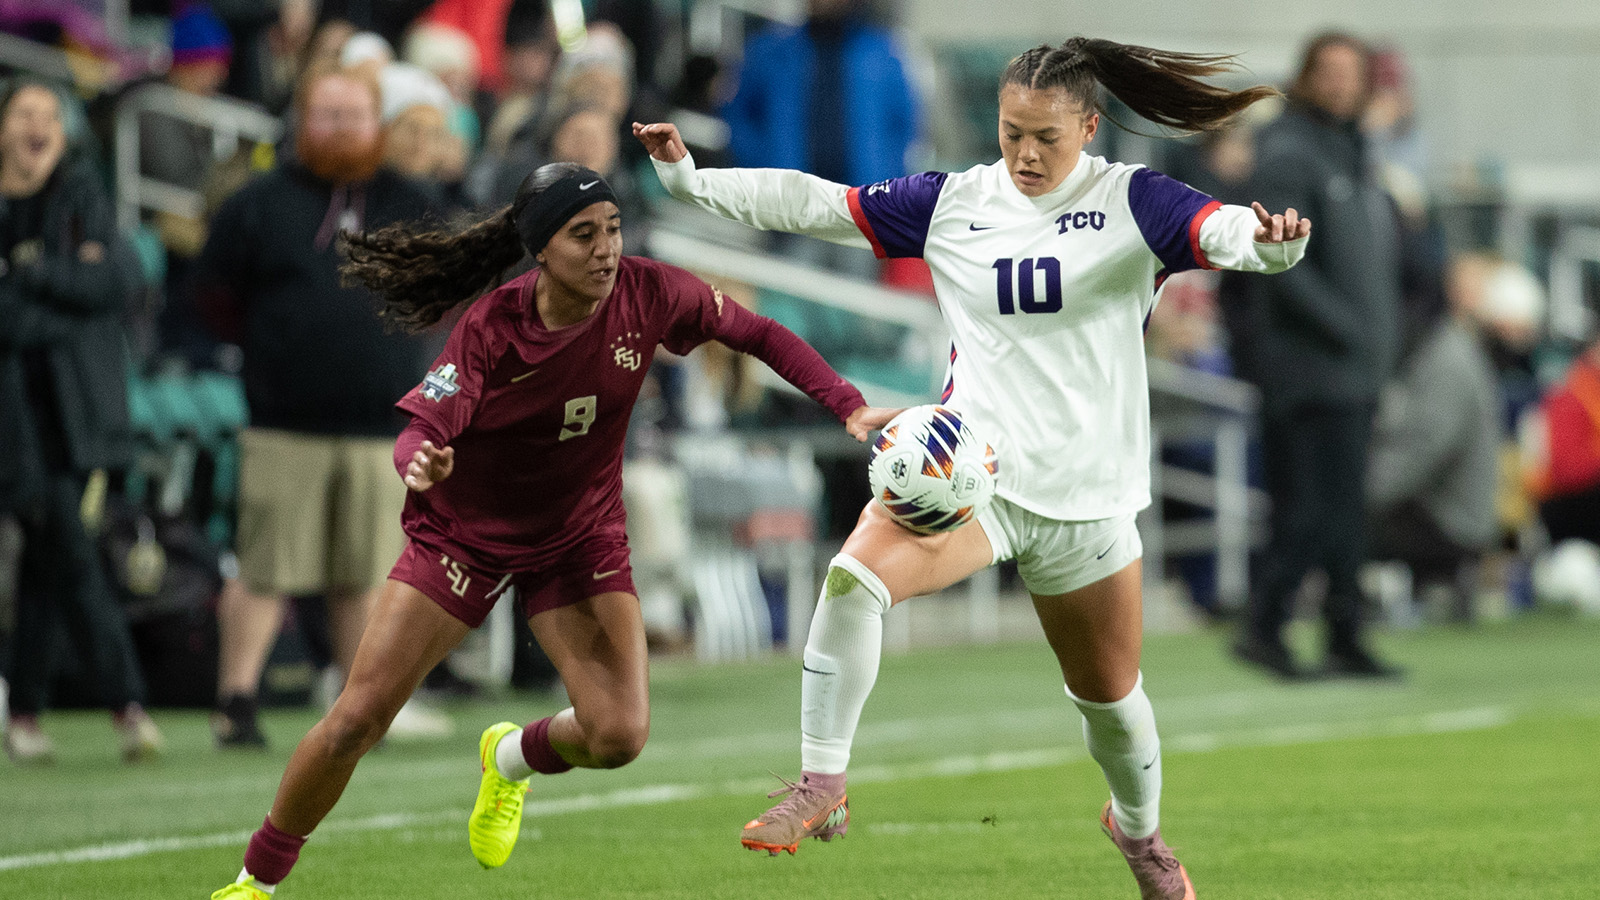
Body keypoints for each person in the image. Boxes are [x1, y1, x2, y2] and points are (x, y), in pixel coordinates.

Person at [637, 34, 1309, 900]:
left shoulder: (1133, 201)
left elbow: (1221, 231)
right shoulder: (954, 201)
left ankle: (1138, 833)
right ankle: (822, 783)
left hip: (1085, 494)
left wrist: (1272, 247)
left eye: (1047, 138)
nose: (1025, 154)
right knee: (852, 582)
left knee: (1111, 704)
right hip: (971, 470)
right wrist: (692, 179)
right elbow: (819, 204)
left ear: (1090, 128)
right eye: (1010, 132)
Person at [206, 161, 884, 898]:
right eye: (582, 235)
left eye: (614, 229)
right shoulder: (494, 325)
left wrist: (845, 403)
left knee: (619, 734)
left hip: (578, 537)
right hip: (464, 537)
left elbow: (754, 332)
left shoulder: (651, 291)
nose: (606, 250)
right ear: (540, 250)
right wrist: (419, 462)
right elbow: (423, 429)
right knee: (354, 723)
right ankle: (255, 881)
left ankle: (510, 758)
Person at [193, 66, 441, 748]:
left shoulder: (412, 201)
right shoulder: (259, 203)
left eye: (352, 116)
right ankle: (235, 702)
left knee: (363, 574)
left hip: (379, 425)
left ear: (377, 124)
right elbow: (213, 295)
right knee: (266, 566)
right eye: (325, 116)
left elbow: (449, 290)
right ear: (304, 122)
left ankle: (356, 707)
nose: (339, 129)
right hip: (283, 423)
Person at [1228, 32, 1405, 680]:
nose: (1339, 83)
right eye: (1326, 71)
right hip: (1308, 369)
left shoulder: (1354, 154)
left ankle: (1344, 633)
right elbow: (1278, 264)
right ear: (1305, 76)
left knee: (1344, 513)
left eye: (1350, 72)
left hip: (1354, 369)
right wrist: (1349, 328)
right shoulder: (1289, 153)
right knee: (1307, 509)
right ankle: (1265, 628)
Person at [0, 78, 163, 764]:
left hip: (74, 414)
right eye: (24, 113)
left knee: (50, 554)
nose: (38, 126)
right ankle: (126, 703)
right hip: (13, 414)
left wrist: (25, 274)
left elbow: (116, 283)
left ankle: (27, 713)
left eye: (50, 116)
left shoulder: (81, 195)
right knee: (67, 550)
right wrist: (63, 287)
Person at [1367, 254, 1543, 623]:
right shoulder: (1461, 352)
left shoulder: (1450, 355)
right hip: (1461, 512)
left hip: (1453, 522)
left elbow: (1424, 448)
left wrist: (1360, 493)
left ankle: (1355, 601)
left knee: (1340, 522)